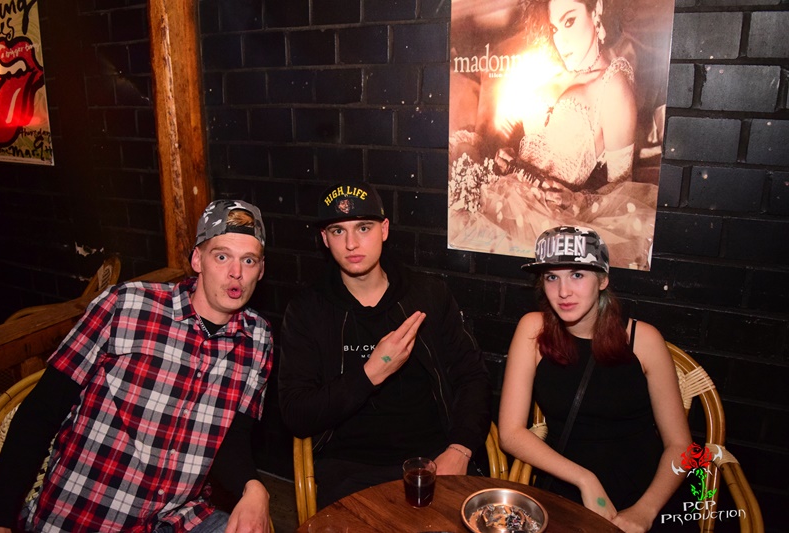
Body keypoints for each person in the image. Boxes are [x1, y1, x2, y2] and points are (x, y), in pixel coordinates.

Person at [0, 200, 273, 533]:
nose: (236, 273)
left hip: (174, 517)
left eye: (248, 260)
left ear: (261, 270)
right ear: (197, 259)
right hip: (85, 517)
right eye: (222, 256)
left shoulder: (258, 338)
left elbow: (232, 436)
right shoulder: (126, 305)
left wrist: (254, 486)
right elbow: (40, 412)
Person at [278, 181, 492, 509]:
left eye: (363, 227)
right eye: (338, 231)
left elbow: (473, 377)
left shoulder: (427, 295)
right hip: (351, 467)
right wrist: (372, 372)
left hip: (434, 458)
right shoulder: (308, 310)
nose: (351, 243)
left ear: (384, 230)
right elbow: (297, 413)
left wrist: (459, 449)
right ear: (324, 238)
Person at [497, 225, 691, 533]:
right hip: (567, 485)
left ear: (602, 280)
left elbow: (681, 446)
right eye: (551, 277)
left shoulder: (644, 340)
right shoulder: (533, 330)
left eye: (577, 275)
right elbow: (510, 433)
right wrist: (584, 479)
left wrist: (645, 510)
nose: (563, 292)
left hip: (644, 492)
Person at [448, 0, 659, 269]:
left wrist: (576, 199)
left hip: (545, 219)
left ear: (597, 10)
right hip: (501, 194)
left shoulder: (613, 85)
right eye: (554, 28)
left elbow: (622, 188)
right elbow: (531, 139)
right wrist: (509, 156)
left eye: (569, 21)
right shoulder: (551, 69)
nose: (561, 40)